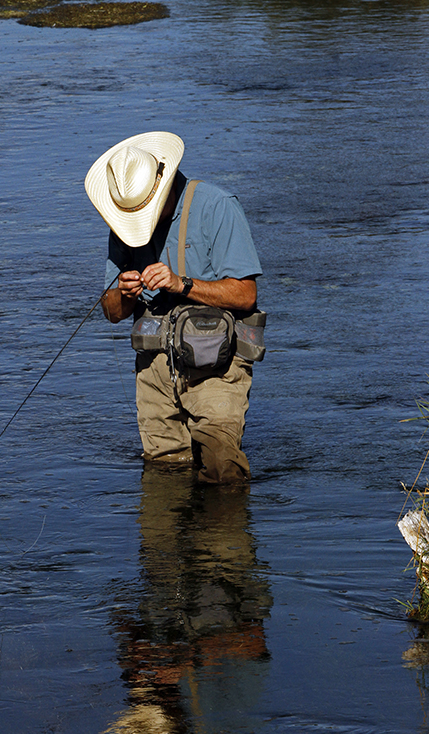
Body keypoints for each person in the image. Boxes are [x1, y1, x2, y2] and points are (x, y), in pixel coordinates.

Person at [85, 131, 264, 484]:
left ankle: (221, 534)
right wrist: (124, 294)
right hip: (153, 368)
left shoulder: (217, 206)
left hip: (217, 362)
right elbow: (111, 312)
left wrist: (181, 283)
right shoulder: (122, 219)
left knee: (221, 467)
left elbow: (245, 295)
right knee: (163, 472)